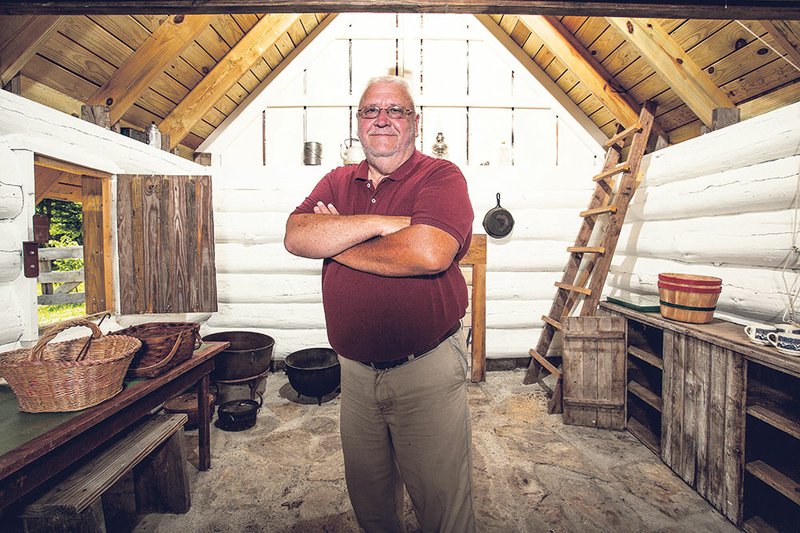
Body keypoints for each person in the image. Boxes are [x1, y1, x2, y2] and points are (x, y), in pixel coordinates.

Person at [284, 75, 476, 533]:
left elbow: (429, 252)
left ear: (414, 123)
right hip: (354, 373)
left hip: (425, 370)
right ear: (359, 123)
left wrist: (337, 239)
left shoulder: (440, 176)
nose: (383, 119)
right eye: (371, 110)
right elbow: (296, 234)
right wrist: (382, 224)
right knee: (371, 504)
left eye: (396, 110)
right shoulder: (337, 179)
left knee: (442, 506)